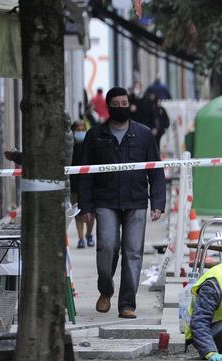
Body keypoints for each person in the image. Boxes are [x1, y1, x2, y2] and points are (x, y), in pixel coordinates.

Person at [77, 86, 165, 319]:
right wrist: (85, 206)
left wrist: (158, 202)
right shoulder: (95, 136)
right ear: (108, 107)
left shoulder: (144, 134)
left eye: (124, 103)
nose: (121, 108)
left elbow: (156, 170)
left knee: (133, 252)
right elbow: (85, 173)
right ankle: (105, 289)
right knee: (107, 246)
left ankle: (127, 304)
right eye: (116, 104)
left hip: (136, 201)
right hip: (105, 200)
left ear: (129, 104)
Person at [68, 119, 95, 248]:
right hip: (74, 185)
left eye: (83, 130)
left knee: (90, 212)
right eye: (78, 130)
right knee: (78, 214)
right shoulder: (69, 147)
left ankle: (89, 234)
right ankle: (81, 238)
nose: (81, 132)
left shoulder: (91, 145)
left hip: (90, 185)